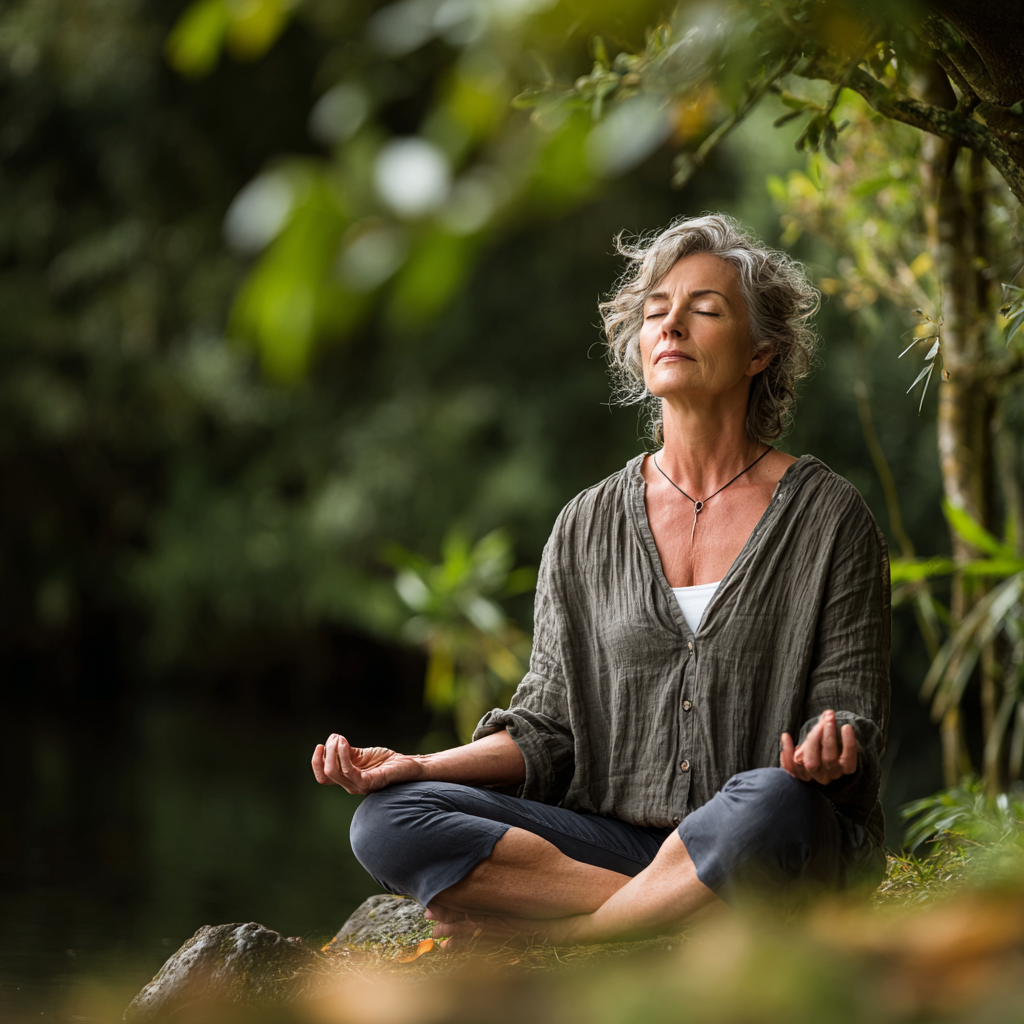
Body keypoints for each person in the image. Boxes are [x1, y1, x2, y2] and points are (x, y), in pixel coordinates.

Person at [311, 214, 890, 945]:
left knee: (775, 800)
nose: (671, 325)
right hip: (618, 844)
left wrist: (830, 747)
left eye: (706, 310)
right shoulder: (585, 525)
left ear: (760, 352)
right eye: (656, 312)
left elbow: (850, 710)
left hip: (764, 834)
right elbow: (548, 731)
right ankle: (671, 911)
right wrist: (420, 764)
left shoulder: (830, 516)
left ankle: (570, 937)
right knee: (387, 820)